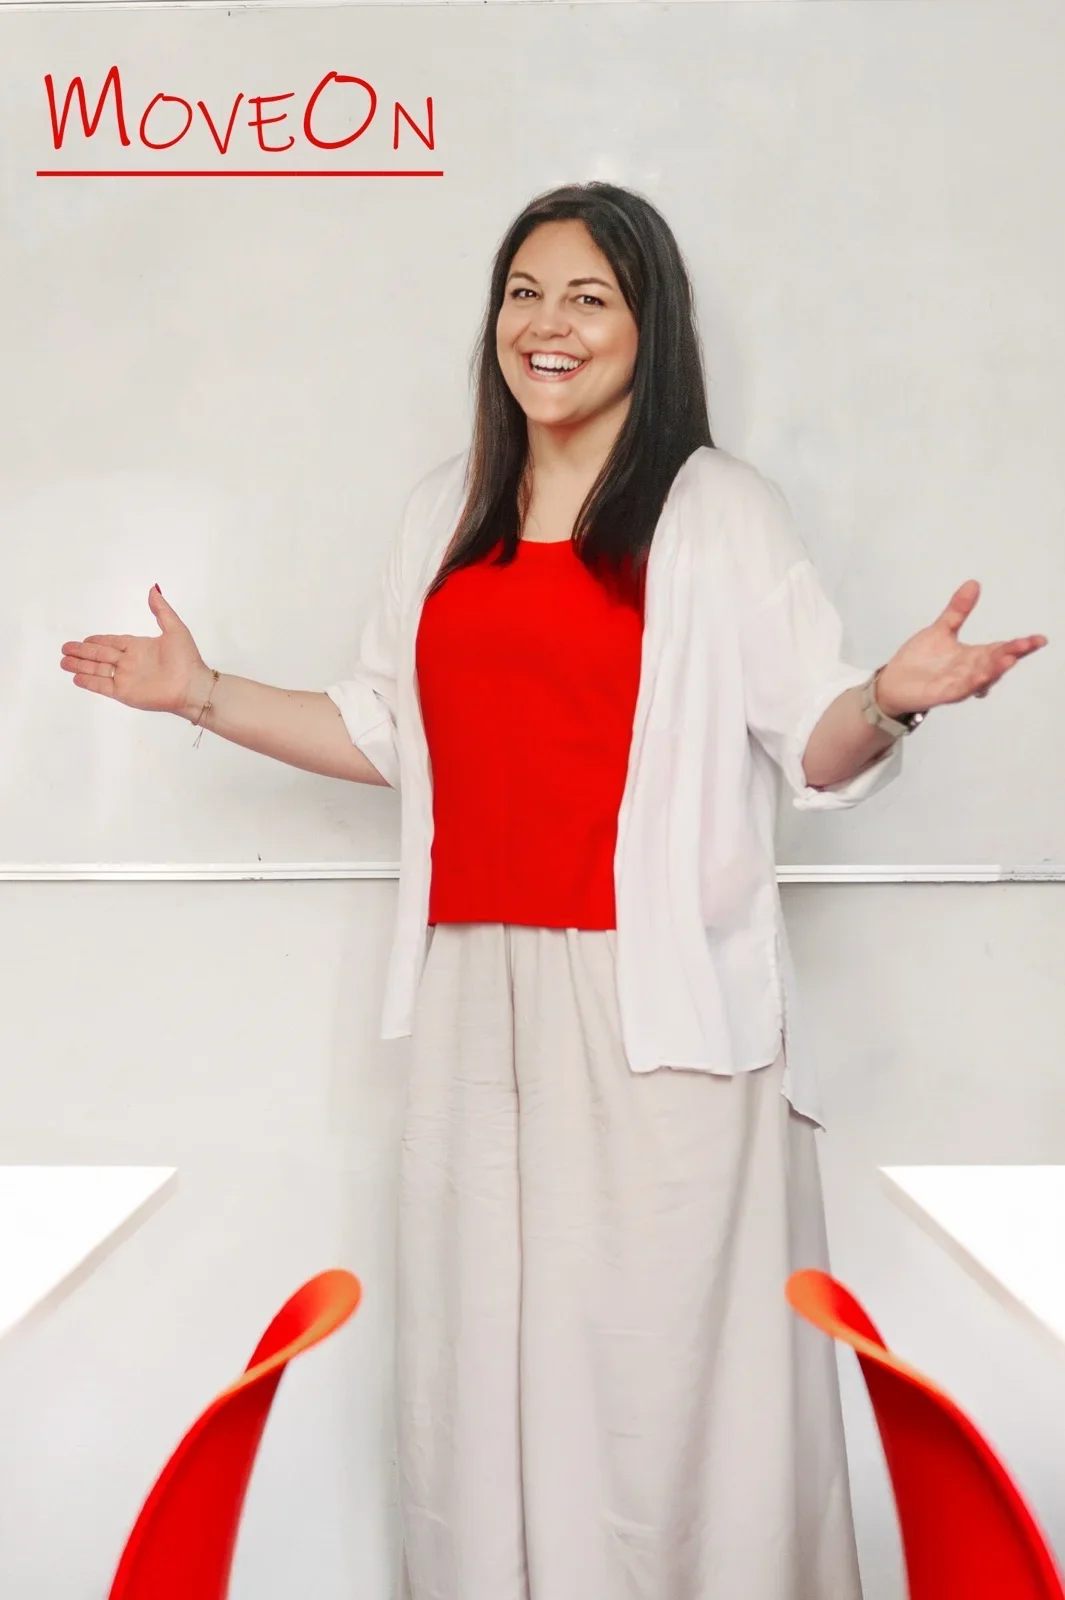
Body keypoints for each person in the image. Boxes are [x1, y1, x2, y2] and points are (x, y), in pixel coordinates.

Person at [60, 182, 1046, 1600]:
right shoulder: (445, 512)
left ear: (650, 328)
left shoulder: (717, 511)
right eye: (525, 291)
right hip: (475, 1007)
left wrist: (889, 700)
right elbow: (387, 733)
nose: (550, 323)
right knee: (483, 1385)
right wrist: (202, 693)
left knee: (656, 1396)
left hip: (656, 1020)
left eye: (590, 295)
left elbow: (814, 737)